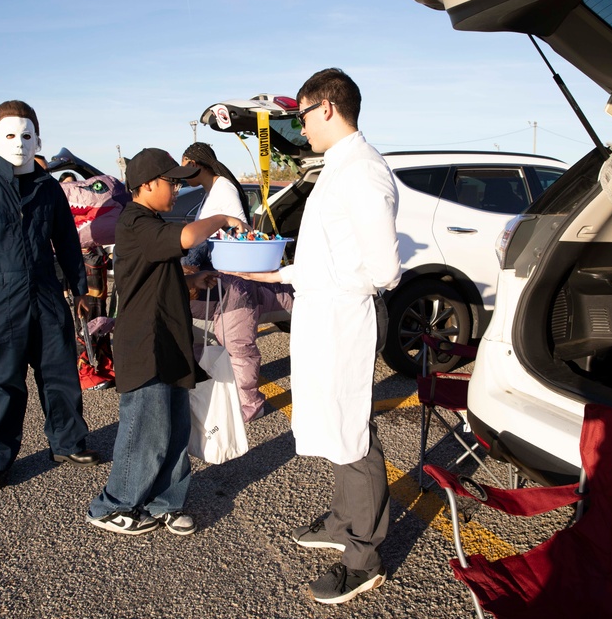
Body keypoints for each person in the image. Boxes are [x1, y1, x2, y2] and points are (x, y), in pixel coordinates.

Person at [232, 68, 401, 603]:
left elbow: (383, 271)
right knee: (334, 423)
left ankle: (363, 555)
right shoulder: (336, 167)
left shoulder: (362, 172)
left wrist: (319, 289)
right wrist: (276, 275)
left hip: (345, 318)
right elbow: (326, 256)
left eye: (302, 116)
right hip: (324, 313)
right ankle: (343, 522)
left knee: (352, 430)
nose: (300, 128)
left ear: (326, 108)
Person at [86, 147, 249, 537]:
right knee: (146, 428)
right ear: (146, 186)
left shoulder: (151, 221)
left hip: (170, 342)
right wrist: (224, 216)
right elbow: (189, 235)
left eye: (178, 182)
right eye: (171, 182)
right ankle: (113, 505)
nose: (177, 189)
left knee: (176, 428)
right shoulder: (136, 221)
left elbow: (156, 276)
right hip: (146, 345)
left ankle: (166, 502)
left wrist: (192, 282)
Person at [0, 100, 100, 491]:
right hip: (0, 300)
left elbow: (66, 242)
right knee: (3, 381)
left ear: (38, 139)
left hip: (47, 295)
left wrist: (81, 290)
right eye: (10, 135)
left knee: (60, 373)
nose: (19, 143)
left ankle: (67, 443)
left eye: (26, 135)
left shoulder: (48, 188)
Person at [180, 142, 294, 422]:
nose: (180, 174)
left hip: (234, 282)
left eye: (183, 166)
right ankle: (224, 393)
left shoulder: (224, 190)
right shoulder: (210, 193)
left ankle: (249, 405)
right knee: (221, 339)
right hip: (218, 280)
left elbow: (238, 234)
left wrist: (191, 263)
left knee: (237, 345)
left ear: (196, 164)